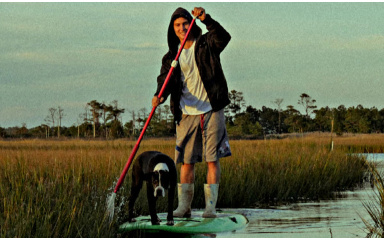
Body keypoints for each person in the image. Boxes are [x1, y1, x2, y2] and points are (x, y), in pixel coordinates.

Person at [152, 7, 231, 218]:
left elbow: (224, 37)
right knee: (187, 161)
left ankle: (210, 208)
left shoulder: (206, 44)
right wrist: (159, 94)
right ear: (172, 28)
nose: (181, 28)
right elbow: (164, 81)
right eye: (177, 25)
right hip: (186, 113)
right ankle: (184, 207)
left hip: (212, 108)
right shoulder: (171, 56)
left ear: (191, 23)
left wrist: (207, 19)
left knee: (212, 159)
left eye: (185, 23)